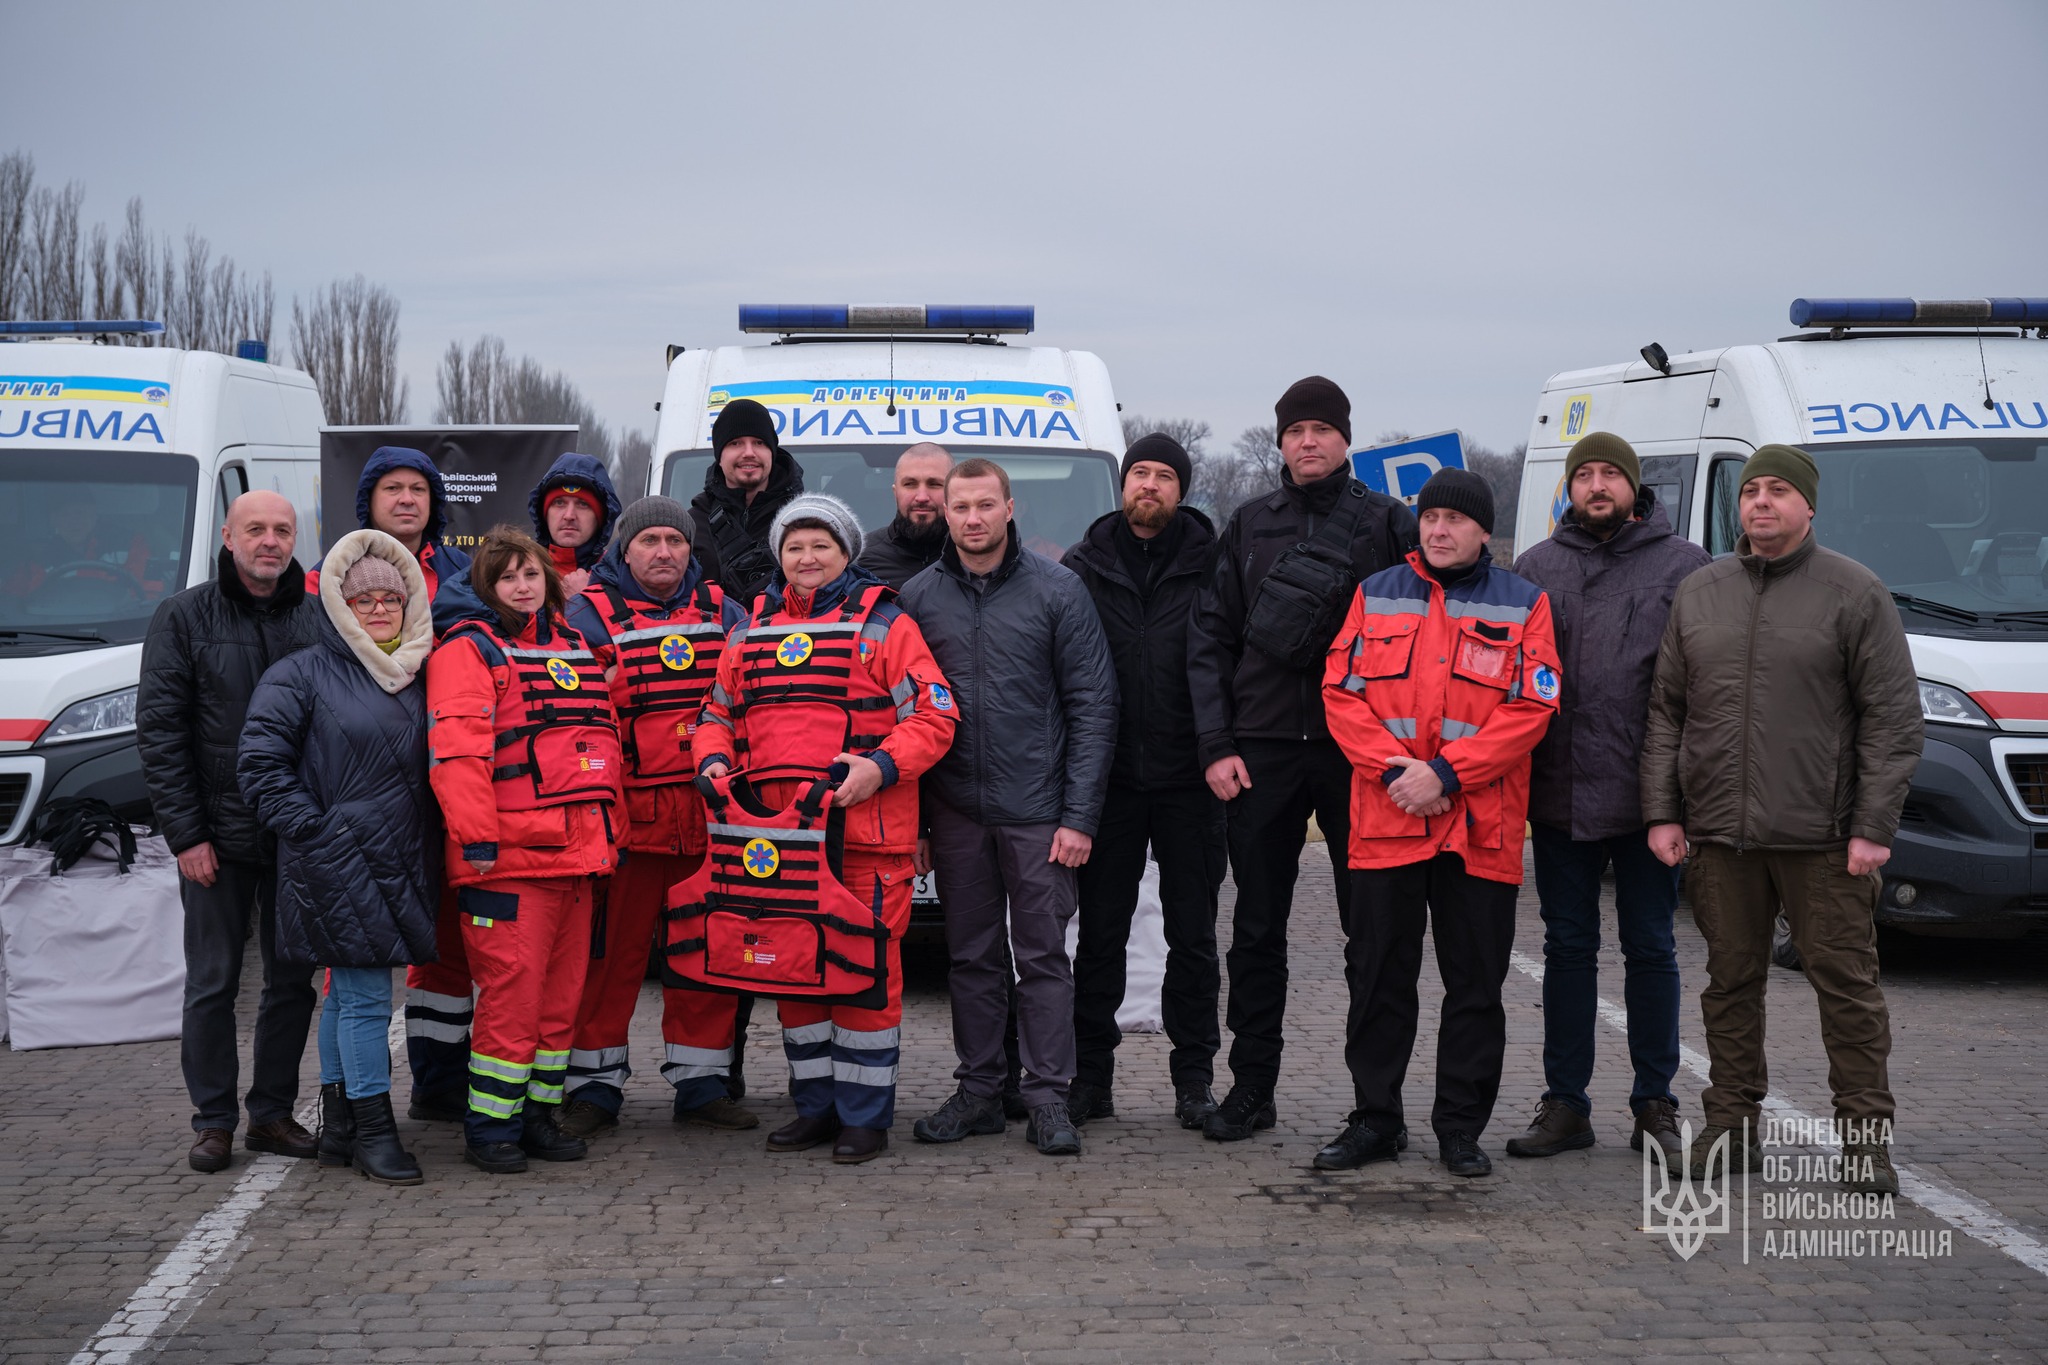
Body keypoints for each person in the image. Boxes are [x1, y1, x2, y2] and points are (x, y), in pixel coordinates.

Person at [1643, 444, 1920, 1195]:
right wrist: (1664, 812)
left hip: (1825, 840)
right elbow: (1668, 712)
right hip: (1720, 839)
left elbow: (1893, 719)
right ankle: (1732, 1130)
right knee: (1729, 985)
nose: (1761, 502)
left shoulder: (1854, 592)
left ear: (1808, 505)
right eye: (1752, 490)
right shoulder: (1701, 591)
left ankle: (1865, 1145)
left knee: (1848, 991)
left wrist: (1872, 825)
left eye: (1778, 491)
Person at [691, 493, 957, 1163]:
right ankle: (816, 1106)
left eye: (821, 546)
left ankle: (865, 1117)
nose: (807, 558)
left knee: (863, 976)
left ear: (845, 553)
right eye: (795, 547)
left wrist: (880, 765)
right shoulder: (748, 630)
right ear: (780, 556)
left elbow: (935, 717)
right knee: (795, 972)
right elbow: (715, 713)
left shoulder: (885, 625)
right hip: (778, 838)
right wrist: (714, 757)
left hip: (864, 836)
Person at [1186, 376, 1417, 1142]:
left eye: (1322, 428)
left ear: (1346, 438)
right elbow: (1210, 638)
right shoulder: (1250, 522)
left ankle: (1374, 1102)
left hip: (1361, 757)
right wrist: (1217, 745)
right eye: (1295, 430)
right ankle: (1252, 1086)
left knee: (1372, 934)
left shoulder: (1388, 522)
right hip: (1263, 753)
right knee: (1255, 928)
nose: (1308, 441)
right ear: (1279, 441)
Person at [1321, 468, 1561, 1178]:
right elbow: (1341, 693)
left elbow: (1532, 707)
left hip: (1477, 831)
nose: (1439, 529)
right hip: (1388, 818)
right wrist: (1400, 772)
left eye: (1456, 519)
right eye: (1430, 517)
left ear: (1485, 530)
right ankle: (1375, 1118)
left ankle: (1459, 1127)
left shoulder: (1526, 603)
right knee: (1377, 981)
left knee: (1476, 987)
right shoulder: (1375, 593)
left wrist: (1448, 773)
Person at [901, 459, 1117, 1157]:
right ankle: (980, 1089)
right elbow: (907, 715)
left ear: (1009, 507)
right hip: (959, 810)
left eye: (984, 503)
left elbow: (1094, 706)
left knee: (1044, 958)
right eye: (959, 504)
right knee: (970, 957)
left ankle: (1048, 1097)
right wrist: (923, 823)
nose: (971, 516)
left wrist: (1079, 816)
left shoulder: (1060, 591)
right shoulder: (918, 597)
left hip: (1040, 813)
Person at [1506, 432, 1709, 1164]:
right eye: (1584, 474)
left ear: (1634, 486)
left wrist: (1678, 800)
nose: (1597, 485)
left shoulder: (1684, 567)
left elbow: (1700, 690)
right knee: (1568, 948)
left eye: (1610, 474)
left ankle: (1655, 1100)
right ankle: (1566, 1103)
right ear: (1568, 487)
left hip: (1649, 798)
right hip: (1558, 796)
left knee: (1652, 946)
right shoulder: (1535, 567)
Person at [236, 529, 438, 1185]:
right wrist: (313, 831)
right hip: (336, 859)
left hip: (399, 857)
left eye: (391, 597)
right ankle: (375, 1131)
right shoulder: (299, 673)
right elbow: (260, 765)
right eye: (363, 600)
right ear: (336, 605)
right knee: (365, 998)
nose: (379, 609)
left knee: (348, 996)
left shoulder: (417, 668)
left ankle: (340, 1124)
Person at [137, 490, 324, 1172]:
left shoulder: (317, 617)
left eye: (281, 529)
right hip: (214, 837)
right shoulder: (183, 617)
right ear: (228, 535)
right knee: (212, 982)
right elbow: (161, 733)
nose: (269, 540)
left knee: (291, 983)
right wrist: (186, 835)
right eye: (256, 529)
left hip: (293, 837)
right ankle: (213, 1120)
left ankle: (271, 1114)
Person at [426, 525, 623, 1173]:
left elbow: (600, 750)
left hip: (577, 860)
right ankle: (490, 1124)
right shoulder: (469, 651)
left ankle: (537, 1113)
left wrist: (609, 836)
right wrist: (476, 834)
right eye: (506, 576)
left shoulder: (575, 646)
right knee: (511, 999)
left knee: (559, 1001)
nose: (521, 585)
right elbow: (457, 750)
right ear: (487, 586)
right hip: (506, 860)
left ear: (549, 579)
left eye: (530, 573)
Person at [553, 496, 751, 1139]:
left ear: (691, 549)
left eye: (675, 540)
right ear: (623, 548)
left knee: (707, 950)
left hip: (710, 818)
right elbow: (569, 719)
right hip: (626, 824)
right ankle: (591, 1086)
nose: (663, 551)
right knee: (608, 958)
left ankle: (701, 1084)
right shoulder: (586, 616)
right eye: (649, 541)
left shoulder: (728, 615)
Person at [1060, 433, 1226, 1130]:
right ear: (1122, 486)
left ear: (1180, 489)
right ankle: (1091, 1076)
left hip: (1193, 779)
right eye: (1139, 474)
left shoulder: (1216, 565)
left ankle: (1194, 1079)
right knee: (1100, 933)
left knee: (1193, 936)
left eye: (1163, 475)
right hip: (1112, 780)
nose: (1149, 485)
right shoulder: (1083, 566)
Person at [689, 398, 806, 604]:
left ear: (772, 451)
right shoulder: (690, 525)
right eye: (736, 443)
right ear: (720, 454)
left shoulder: (804, 518)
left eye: (759, 443)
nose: (749, 453)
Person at [859, 442, 953, 590]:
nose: (922, 497)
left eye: (934, 484)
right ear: (895, 492)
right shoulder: (858, 560)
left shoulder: (976, 557)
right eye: (910, 484)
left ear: (953, 491)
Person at [528, 451, 622, 597]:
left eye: (583, 504)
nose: (569, 516)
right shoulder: (516, 571)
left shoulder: (622, 575)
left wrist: (589, 600)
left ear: (601, 519)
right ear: (544, 514)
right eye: (559, 503)